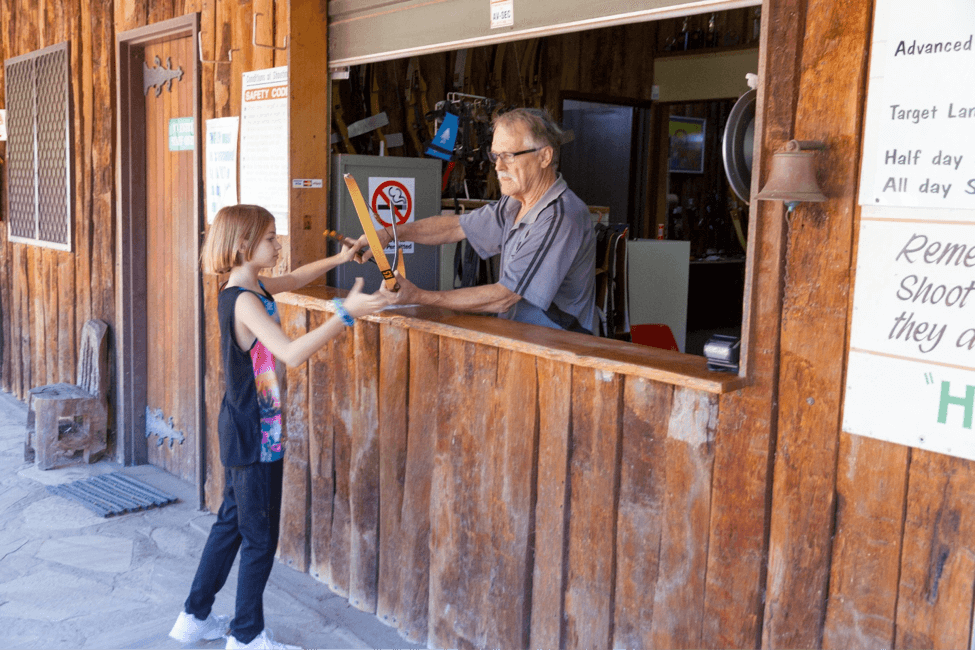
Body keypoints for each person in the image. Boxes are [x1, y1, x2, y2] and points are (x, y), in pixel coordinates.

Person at [168, 204, 388, 650]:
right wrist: (346, 314)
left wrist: (341, 260)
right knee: (259, 539)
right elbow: (290, 353)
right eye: (271, 238)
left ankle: (193, 617)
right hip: (253, 432)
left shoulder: (253, 285)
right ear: (245, 246)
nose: (278, 244)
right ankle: (246, 637)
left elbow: (296, 278)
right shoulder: (245, 301)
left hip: (250, 424)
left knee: (232, 523)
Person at [356, 108, 596, 334]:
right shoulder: (514, 202)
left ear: (544, 156)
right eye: (495, 156)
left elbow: (504, 297)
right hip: (522, 334)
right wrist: (390, 232)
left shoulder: (559, 216)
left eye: (509, 156)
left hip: (562, 345)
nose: (498, 167)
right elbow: (456, 227)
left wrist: (418, 296)